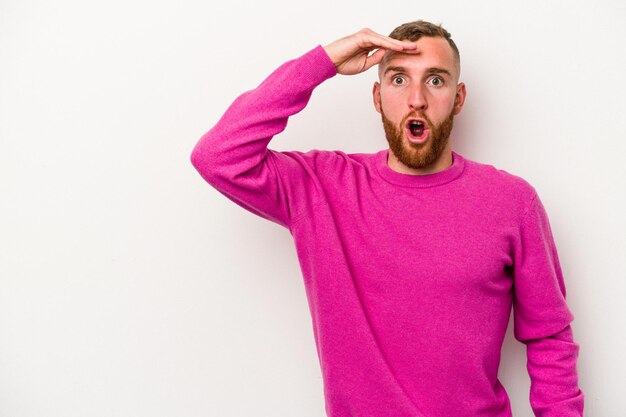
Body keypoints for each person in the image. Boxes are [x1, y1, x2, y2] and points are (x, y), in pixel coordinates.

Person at [190, 20, 584, 417]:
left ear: (458, 97)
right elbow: (218, 157)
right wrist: (322, 62)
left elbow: (550, 337)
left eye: (435, 81)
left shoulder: (512, 202)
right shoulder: (322, 189)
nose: (417, 99)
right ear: (377, 97)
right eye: (399, 79)